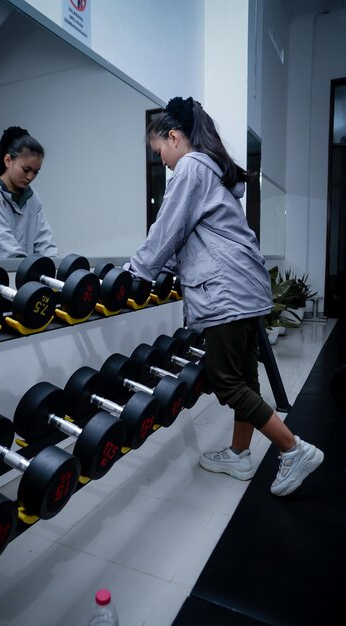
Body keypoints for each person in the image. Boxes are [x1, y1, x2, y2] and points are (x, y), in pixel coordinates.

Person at [124, 96, 324, 496]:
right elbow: (188, 239)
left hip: (225, 292)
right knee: (246, 378)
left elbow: (167, 230)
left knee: (226, 380)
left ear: (175, 137)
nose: (161, 160)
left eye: (160, 150)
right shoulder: (214, 173)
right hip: (246, 289)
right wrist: (160, 270)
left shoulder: (191, 169)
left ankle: (292, 449)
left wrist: (136, 274)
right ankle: (239, 454)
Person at [0, 126, 59, 259]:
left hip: (19, 271)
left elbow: (44, 241)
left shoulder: (32, 197)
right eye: (26, 170)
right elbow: (1, 241)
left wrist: (53, 265)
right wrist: (23, 268)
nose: (30, 177)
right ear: (8, 160)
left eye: (36, 172)